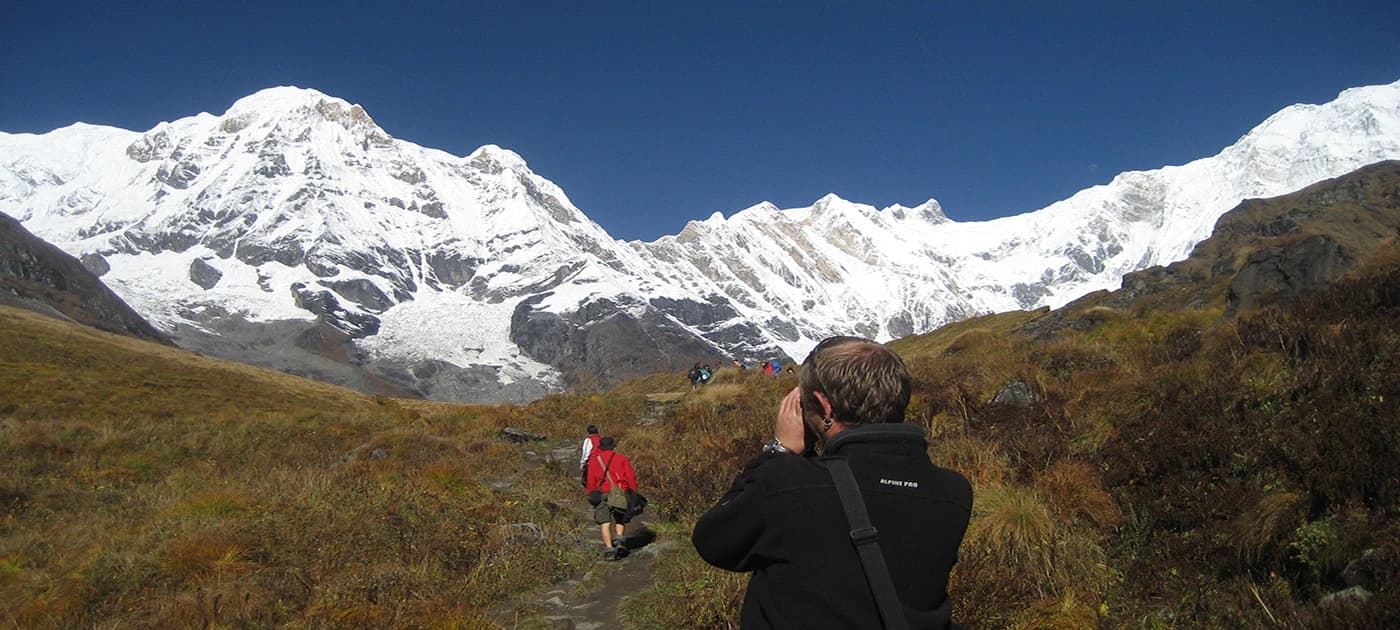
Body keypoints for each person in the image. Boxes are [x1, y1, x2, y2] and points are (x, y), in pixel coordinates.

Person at [692, 336, 973, 629]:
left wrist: (779, 451)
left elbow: (713, 542)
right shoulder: (954, 492)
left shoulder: (786, 482)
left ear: (825, 407)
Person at [586, 436, 639, 560]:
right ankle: (619, 539)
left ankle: (609, 548)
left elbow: (590, 480)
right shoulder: (622, 459)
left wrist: (592, 492)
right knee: (620, 517)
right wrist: (633, 492)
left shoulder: (594, 460)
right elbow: (630, 477)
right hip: (620, 492)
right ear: (613, 446)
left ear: (600, 447)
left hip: (603, 493)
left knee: (604, 521)